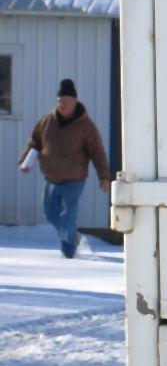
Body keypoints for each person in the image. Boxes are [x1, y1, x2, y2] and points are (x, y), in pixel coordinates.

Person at [18, 78, 111, 258]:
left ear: (75, 101)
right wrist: (25, 161)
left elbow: (97, 153)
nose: (63, 105)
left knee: (68, 216)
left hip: (74, 178)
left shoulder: (86, 126)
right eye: (60, 101)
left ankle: (68, 250)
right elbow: (34, 142)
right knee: (50, 214)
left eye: (67, 101)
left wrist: (104, 176)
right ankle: (73, 236)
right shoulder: (46, 121)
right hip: (51, 177)